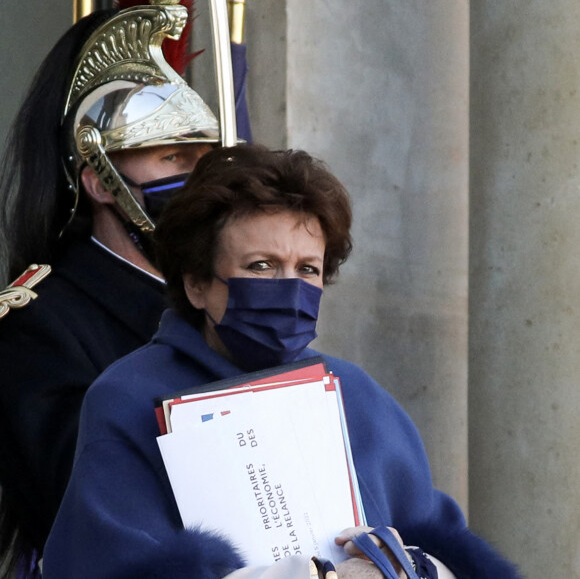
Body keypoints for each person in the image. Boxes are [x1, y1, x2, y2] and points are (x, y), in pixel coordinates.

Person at [43, 144, 522, 578]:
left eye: (307, 269)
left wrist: (408, 568)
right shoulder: (125, 399)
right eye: (261, 266)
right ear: (196, 285)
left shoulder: (358, 394)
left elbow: (443, 548)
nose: (288, 286)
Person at [0, 1, 220, 574]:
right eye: (174, 156)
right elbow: (75, 502)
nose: (198, 182)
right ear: (101, 182)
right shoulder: (38, 321)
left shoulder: (222, 299)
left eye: (204, 160)